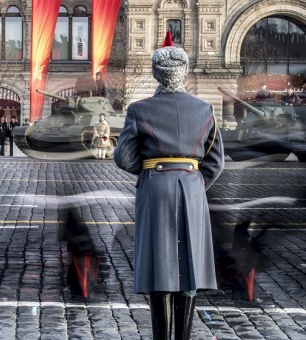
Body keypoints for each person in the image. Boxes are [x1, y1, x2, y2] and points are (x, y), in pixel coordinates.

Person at [114, 42, 224, 340]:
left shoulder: (139, 110)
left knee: (158, 263)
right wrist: (195, 183)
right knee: (189, 264)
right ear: (184, 72)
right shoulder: (204, 109)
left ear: (155, 73)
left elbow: (123, 157)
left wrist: (152, 173)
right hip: (191, 186)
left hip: (156, 186)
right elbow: (215, 161)